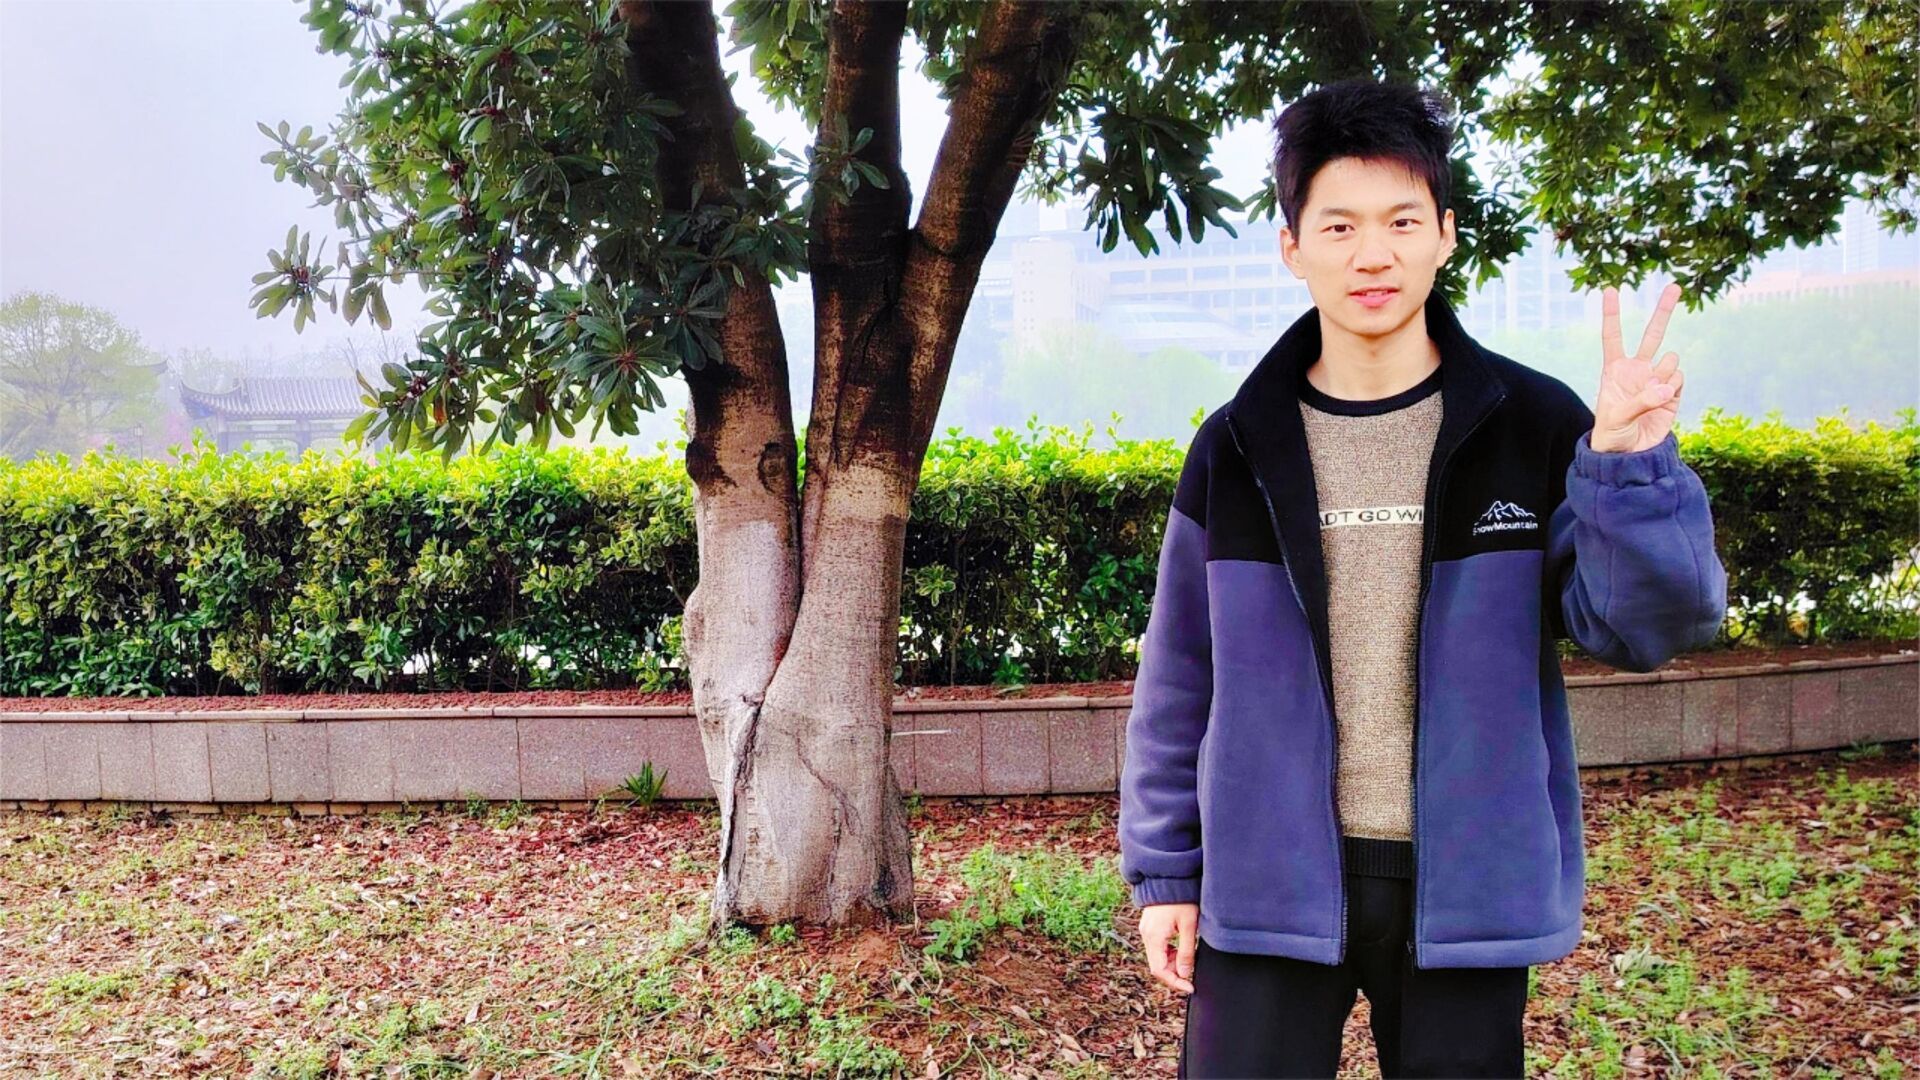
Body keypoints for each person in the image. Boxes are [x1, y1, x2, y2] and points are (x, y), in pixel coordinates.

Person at [1116, 77, 1728, 1079]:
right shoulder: (1236, 447)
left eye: (1403, 220)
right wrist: (1165, 872)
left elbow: (1646, 628)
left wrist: (1629, 466)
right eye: (1340, 225)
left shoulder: (1530, 426)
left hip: (1465, 892)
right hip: (1267, 886)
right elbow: (1179, 675)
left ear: (1444, 235)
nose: (1374, 254)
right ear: (1292, 246)